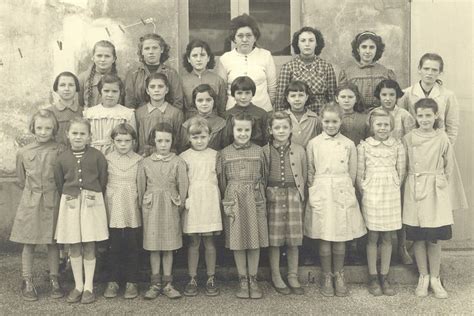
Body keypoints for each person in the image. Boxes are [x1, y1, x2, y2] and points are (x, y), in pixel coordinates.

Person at [305, 103, 366, 297]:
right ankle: (326, 275)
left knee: (340, 234)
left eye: (334, 121)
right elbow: (310, 170)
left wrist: (349, 189)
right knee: (324, 233)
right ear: (321, 121)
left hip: (342, 189)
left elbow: (353, 171)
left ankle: (339, 274)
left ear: (341, 121)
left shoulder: (348, 144)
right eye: (326, 121)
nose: (330, 125)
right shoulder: (314, 143)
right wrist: (314, 189)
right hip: (322, 190)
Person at [399, 53, 467, 211]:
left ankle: (434, 233)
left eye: (434, 70)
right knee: (415, 196)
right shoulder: (407, 94)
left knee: (437, 196)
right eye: (426, 68)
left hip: (437, 151)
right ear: (419, 70)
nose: (429, 73)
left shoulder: (448, 95)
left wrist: (444, 148)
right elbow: (402, 121)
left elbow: (452, 125)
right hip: (415, 148)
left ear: (440, 72)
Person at [10, 110, 64, 301]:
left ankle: (54, 278)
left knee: (52, 242)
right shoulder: (24, 152)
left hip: (53, 199)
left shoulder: (60, 149)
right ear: (33, 127)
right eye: (39, 127)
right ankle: (27, 280)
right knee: (29, 241)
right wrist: (33, 192)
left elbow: (62, 176)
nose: (43, 132)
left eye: (48, 128)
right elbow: (21, 178)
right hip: (31, 200)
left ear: (54, 129)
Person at [54, 117, 109, 304]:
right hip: (70, 202)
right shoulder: (61, 158)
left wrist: (91, 193)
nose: (78, 137)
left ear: (89, 136)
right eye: (75, 133)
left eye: (82, 134)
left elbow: (102, 180)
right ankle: (78, 285)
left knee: (89, 243)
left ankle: (89, 287)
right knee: (74, 244)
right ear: (67, 135)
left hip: (91, 203)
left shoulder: (97, 156)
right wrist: (71, 194)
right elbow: (59, 182)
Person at [403, 98, 454, 299]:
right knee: (417, 236)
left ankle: (435, 277)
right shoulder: (408, 138)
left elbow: (449, 165)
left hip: (435, 188)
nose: (424, 119)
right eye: (421, 115)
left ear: (436, 116)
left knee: (434, 236)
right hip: (414, 186)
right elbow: (404, 163)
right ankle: (423, 277)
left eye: (428, 115)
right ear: (416, 117)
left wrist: (439, 183)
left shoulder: (442, 138)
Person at [218, 112, 269, 299]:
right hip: (235, 199)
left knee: (255, 241)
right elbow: (222, 181)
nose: (242, 133)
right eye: (239, 129)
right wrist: (231, 196)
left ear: (252, 131)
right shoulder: (224, 153)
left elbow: (263, 176)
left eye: (246, 130)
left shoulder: (260, 151)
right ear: (232, 130)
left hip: (255, 197)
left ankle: (253, 279)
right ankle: (242, 279)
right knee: (238, 241)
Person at [357, 108, 406, 296]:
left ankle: (384, 276)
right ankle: (372, 277)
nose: (383, 128)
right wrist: (367, 189)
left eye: (386, 124)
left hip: (390, 193)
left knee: (387, 237)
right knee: (373, 236)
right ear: (372, 126)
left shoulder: (397, 146)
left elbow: (401, 173)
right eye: (379, 124)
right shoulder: (364, 147)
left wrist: (392, 186)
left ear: (391, 126)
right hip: (371, 194)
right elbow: (359, 175)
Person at [138, 123, 188, 300]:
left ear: (172, 141)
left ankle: (168, 283)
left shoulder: (178, 162)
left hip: (170, 206)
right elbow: (141, 187)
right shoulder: (145, 163)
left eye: (167, 140)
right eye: (159, 140)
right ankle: (155, 283)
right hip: (151, 208)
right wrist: (143, 205)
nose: (163, 144)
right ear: (154, 141)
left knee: (168, 246)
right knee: (153, 247)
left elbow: (183, 188)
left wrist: (178, 205)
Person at [263, 111, 307, 295]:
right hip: (273, 195)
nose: (281, 131)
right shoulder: (265, 151)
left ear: (291, 129)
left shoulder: (299, 150)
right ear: (270, 130)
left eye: (285, 127)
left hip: (293, 195)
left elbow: (304, 175)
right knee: (274, 239)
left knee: (293, 239)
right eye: (277, 127)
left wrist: (300, 195)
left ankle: (292, 275)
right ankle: (275, 275)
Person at [373, 79, 416, 264]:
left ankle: (401, 247)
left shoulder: (405, 115)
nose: (388, 98)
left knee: (399, 208)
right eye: (384, 95)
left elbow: (410, 142)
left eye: (391, 94)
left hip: (399, 165)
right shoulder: (373, 114)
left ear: (397, 95)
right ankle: (378, 250)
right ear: (379, 96)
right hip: (378, 168)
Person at [180, 117, 222, 297]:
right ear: (189, 138)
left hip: (210, 200)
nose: (199, 141)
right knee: (194, 241)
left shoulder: (215, 155)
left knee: (209, 241)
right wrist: (185, 199)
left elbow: (220, 179)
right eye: (195, 137)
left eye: (203, 137)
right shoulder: (184, 156)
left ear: (210, 136)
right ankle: (192, 277)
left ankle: (211, 277)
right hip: (193, 201)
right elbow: (182, 182)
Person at [103, 123, 143, 300]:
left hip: (131, 206)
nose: (123, 144)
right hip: (114, 206)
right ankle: (113, 281)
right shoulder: (107, 159)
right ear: (113, 141)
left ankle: (132, 282)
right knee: (115, 245)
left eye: (127, 141)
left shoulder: (139, 160)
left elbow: (142, 184)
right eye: (119, 141)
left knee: (133, 245)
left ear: (133, 141)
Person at [217, 14, 276, 112]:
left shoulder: (266, 56)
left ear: (255, 37)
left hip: (262, 112)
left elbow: (272, 88)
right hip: (234, 114)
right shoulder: (225, 59)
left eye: (249, 35)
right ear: (234, 38)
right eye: (240, 36)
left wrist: (263, 111)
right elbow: (222, 91)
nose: (244, 39)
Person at [275, 26, 337, 114]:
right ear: (297, 44)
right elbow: (280, 100)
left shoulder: (326, 67)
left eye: (311, 40)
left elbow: (332, 98)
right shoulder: (288, 67)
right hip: (296, 118)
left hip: (321, 117)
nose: (307, 44)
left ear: (317, 43)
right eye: (303, 41)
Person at [339, 31, 396, 112]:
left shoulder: (385, 73)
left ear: (377, 49)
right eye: (364, 47)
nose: (368, 51)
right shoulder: (348, 73)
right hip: (356, 116)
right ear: (358, 49)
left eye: (372, 47)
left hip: (380, 116)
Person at [124, 33, 183, 109]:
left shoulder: (171, 73)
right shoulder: (133, 74)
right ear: (142, 51)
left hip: (166, 117)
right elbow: (129, 102)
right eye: (147, 48)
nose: (151, 52)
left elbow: (178, 102)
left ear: (161, 49)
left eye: (155, 48)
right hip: (139, 117)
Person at [83, 74, 136, 155]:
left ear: (120, 93)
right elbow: (85, 138)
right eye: (106, 91)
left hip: (119, 154)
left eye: (114, 91)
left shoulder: (127, 114)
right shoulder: (90, 113)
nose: (110, 95)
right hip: (93, 154)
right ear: (100, 92)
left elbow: (132, 141)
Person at [135, 73, 183, 156]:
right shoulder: (139, 113)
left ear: (167, 90)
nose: (156, 90)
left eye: (160, 86)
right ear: (147, 90)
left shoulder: (175, 113)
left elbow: (179, 140)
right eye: (152, 87)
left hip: (168, 157)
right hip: (145, 156)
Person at [182, 39, 227, 119]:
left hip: (213, 122)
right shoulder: (182, 81)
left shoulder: (218, 80)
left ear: (208, 58)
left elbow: (222, 109)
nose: (199, 59)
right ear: (189, 59)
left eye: (202, 55)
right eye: (194, 56)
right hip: (191, 122)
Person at [179, 84, 226, 152]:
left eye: (208, 100)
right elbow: (183, 150)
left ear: (214, 101)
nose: (204, 103)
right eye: (200, 100)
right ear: (194, 102)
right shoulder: (186, 125)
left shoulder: (222, 124)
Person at [223, 76, 268, 147]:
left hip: (257, 153)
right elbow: (225, 140)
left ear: (252, 93)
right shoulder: (227, 115)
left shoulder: (262, 114)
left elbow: (266, 139)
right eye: (239, 93)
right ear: (233, 94)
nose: (243, 97)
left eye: (247, 93)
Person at [78, 40, 119, 108]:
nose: (103, 59)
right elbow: (79, 105)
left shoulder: (121, 78)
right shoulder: (82, 78)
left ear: (114, 59)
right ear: (93, 57)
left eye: (107, 56)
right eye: (99, 56)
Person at [46, 72, 83, 145]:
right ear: (56, 89)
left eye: (71, 85)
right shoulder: (48, 112)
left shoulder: (83, 112)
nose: (67, 89)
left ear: (76, 88)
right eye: (62, 85)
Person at [282, 80, 322, 148]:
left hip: (309, 156)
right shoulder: (282, 117)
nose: (297, 99)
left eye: (301, 95)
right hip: (289, 156)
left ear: (306, 97)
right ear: (287, 98)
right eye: (293, 96)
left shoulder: (314, 118)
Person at [336, 83, 370, 147]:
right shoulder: (331, 119)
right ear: (337, 99)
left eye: (350, 97)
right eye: (343, 97)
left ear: (356, 99)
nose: (346, 100)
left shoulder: (365, 119)